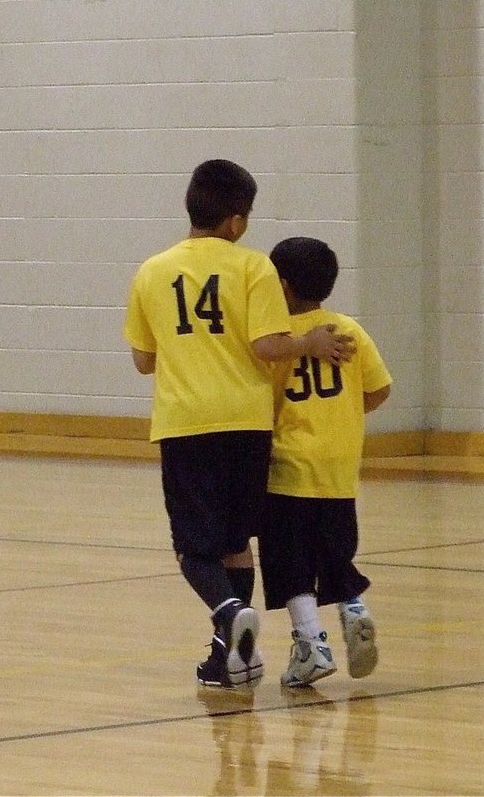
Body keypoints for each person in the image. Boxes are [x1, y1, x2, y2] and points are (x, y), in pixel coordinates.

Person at [123, 160, 352, 689]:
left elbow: (143, 358)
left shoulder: (152, 270)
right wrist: (309, 343)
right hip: (248, 423)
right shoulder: (254, 268)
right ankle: (233, 656)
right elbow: (267, 346)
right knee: (234, 542)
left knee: (194, 547)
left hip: (186, 423)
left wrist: (189, 350)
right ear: (236, 222)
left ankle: (227, 612)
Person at [258, 236, 392, 687]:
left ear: (283, 285)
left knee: (288, 561)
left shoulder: (282, 344)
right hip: (339, 467)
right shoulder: (349, 330)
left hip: (290, 467)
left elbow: (265, 404)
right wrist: (348, 414)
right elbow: (379, 390)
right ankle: (354, 608)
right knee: (336, 551)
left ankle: (311, 643)